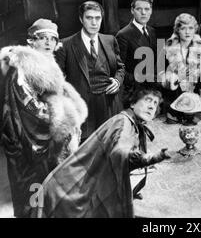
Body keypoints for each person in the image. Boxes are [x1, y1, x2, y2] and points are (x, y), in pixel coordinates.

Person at [33, 86, 170, 218]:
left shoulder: (128, 122)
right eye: (148, 100)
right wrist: (151, 158)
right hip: (67, 190)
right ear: (133, 104)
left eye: (155, 103)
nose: (152, 106)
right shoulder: (123, 123)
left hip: (69, 184)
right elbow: (120, 152)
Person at [0, 19, 87, 218]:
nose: (48, 43)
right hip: (28, 139)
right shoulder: (21, 68)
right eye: (42, 38)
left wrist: (70, 121)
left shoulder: (49, 64)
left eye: (52, 39)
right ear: (31, 41)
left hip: (50, 138)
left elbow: (58, 97)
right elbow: (27, 106)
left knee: (52, 192)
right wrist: (61, 119)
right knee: (33, 190)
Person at [55, 1, 125, 142]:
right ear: (81, 19)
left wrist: (117, 81)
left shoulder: (110, 40)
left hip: (109, 104)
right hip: (83, 107)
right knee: (86, 149)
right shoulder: (66, 45)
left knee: (112, 143)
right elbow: (58, 80)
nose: (94, 23)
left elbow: (120, 67)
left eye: (97, 18)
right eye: (89, 18)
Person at [158, 13, 201, 123]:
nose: (187, 32)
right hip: (172, 103)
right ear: (177, 30)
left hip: (196, 105)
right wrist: (169, 79)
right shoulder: (167, 49)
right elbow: (160, 75)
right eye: (183, 28)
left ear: (195, 29)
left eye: (190, 28)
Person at [116, 0, 157, 106]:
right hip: (134, 93)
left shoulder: (152, 31)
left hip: (153, 91)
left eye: (147, 9)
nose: (143, 13)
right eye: (139, 9)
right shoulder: (123, 35)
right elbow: (120, 69)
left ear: (151, 11)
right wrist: (139, 80)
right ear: (132, 10)